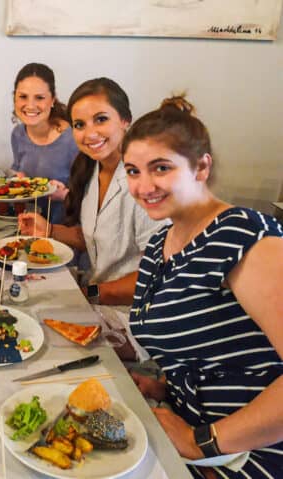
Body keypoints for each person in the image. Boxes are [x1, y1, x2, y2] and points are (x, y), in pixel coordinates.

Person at [124, 96, 283, 478]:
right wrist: (164, 386)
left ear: (201, 168)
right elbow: (211, 347)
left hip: (247, 450)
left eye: (160, 168)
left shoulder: (245, 236)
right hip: (186, 426)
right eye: (132, 171)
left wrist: (203, 441)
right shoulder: (160, 245)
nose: (144, 186)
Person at [19, 78, 162, 306]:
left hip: (132, 311)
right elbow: (94, 238)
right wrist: (50, 230)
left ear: (125, 120)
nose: (90, 134)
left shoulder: (144, 185)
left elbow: (154, 276)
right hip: (96, 294)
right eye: (79, 125)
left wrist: (87, 294)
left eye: (101, 120)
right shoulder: (93, 169)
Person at [10, 63, 78, 224]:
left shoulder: (73, 139)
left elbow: (94, 199)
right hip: (29, 226)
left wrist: (65, 195)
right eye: (23, 96)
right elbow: (19, 171)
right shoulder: (18, 134)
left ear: (52, 100)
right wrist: (17, 178)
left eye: (39, 98)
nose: (30, 105)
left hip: (67, 231)